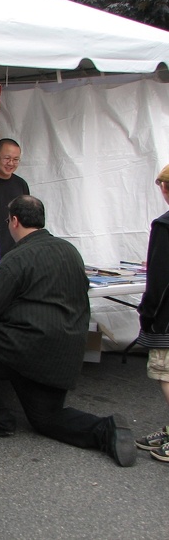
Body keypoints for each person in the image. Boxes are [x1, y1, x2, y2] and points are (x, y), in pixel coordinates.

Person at [0, 195, 136, 467]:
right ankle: (106, 430)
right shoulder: (69, 251)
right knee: (48, 420)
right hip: (63, 354)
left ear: (15, 221)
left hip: (22, 349)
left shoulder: (18, 257)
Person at [134, 164, 169, 462]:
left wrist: (148, 314)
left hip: (168, 316)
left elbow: (159, 279)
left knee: (166, 374)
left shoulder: (165, 225)